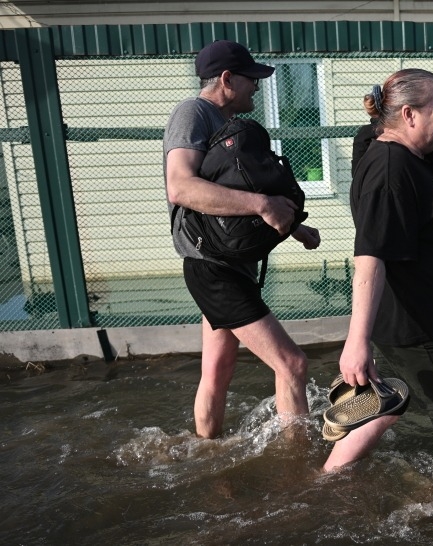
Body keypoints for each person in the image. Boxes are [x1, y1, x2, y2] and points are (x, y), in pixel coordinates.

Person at [323, 69, 433, 490]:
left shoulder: (402, 153)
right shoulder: (389, 169)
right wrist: (355, 344)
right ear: (409, 114)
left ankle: (326, 480)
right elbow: (370, 257)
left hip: (412, 313)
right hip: (415, 321)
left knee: (394, 400)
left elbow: (422, 196)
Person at [163, 40, 321, 439]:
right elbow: (181, 187)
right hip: (213, 269)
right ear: (227, 79)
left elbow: (233, 199)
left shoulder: (226, 124)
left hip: (227, 264)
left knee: (217, 370)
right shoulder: (193, 113)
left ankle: (205, 450)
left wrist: (294, 227)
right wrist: (262, 203)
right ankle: (297, 463)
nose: (257, 87)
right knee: (293, 364)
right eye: (252, 79)